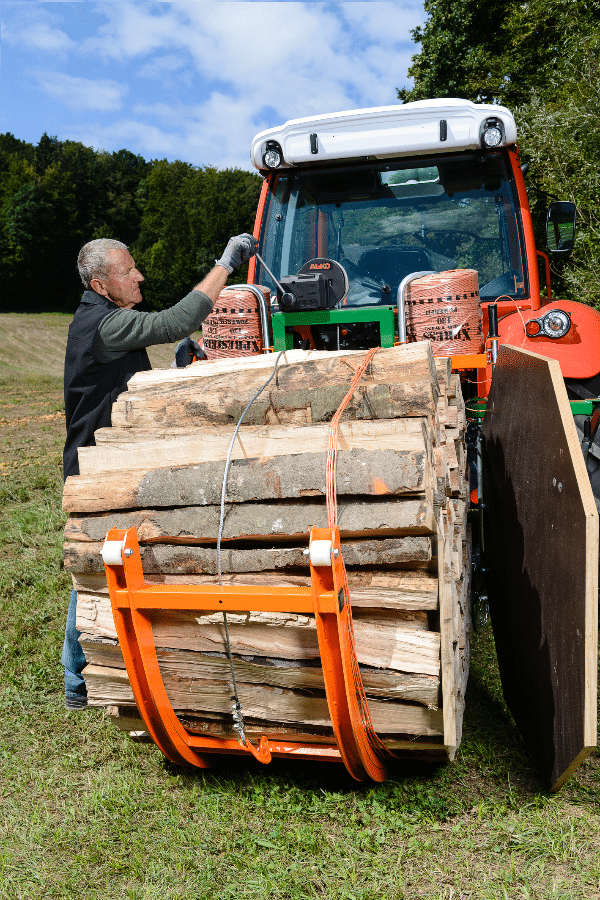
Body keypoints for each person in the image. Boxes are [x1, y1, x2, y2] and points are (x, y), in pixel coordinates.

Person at [62, 233, 257, 709]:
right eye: (129, 271)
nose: (140, 276)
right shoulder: (103, 324)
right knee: (95, 569)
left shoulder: (102, 319)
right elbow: (178, 319)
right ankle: (77, 681)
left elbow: (124, 385)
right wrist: (226, 264)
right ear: (101, 284)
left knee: (106, 562)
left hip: (109, 459)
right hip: (97, 468)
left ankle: (93, 673)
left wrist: (174, 368)